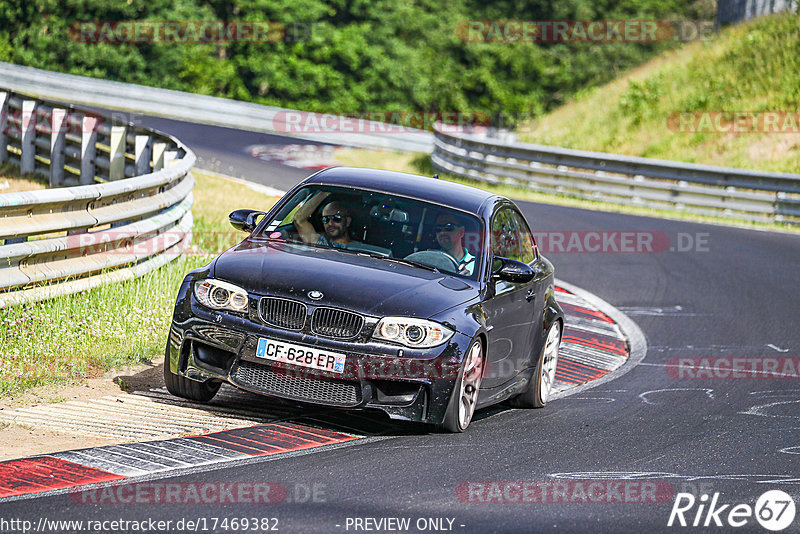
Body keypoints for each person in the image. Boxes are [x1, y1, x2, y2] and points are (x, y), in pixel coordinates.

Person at [293, 191, 359, 247]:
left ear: (348, 221)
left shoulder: (360, 248)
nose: (330, 223)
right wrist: (325, 192)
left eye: (336, 218)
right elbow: (299, 219)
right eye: (326, 219)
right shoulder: (320, 243)